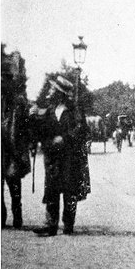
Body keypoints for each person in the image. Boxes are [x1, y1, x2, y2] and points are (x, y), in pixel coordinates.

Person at [30, 75, 90, 236]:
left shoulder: (74, 110)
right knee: (51, 189)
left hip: (70, 157)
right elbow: (40, 131)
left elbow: (81, 129)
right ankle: (51, 225)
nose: (50, 92)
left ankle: (68, 224)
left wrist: (64, 138)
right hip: (53, 157)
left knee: (70, 191)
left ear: (60, 93)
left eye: (53, 89)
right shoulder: (49, 110)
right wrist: (33, 118)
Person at [1, 47, 31, 229]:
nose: (3, 83)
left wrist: (25, 145)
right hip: (0, 150)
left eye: (6, 79)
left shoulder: (18, 103)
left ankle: (17, 216)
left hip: (13, 151)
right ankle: (1, 217)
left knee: (14, 186)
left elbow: (26, 127)